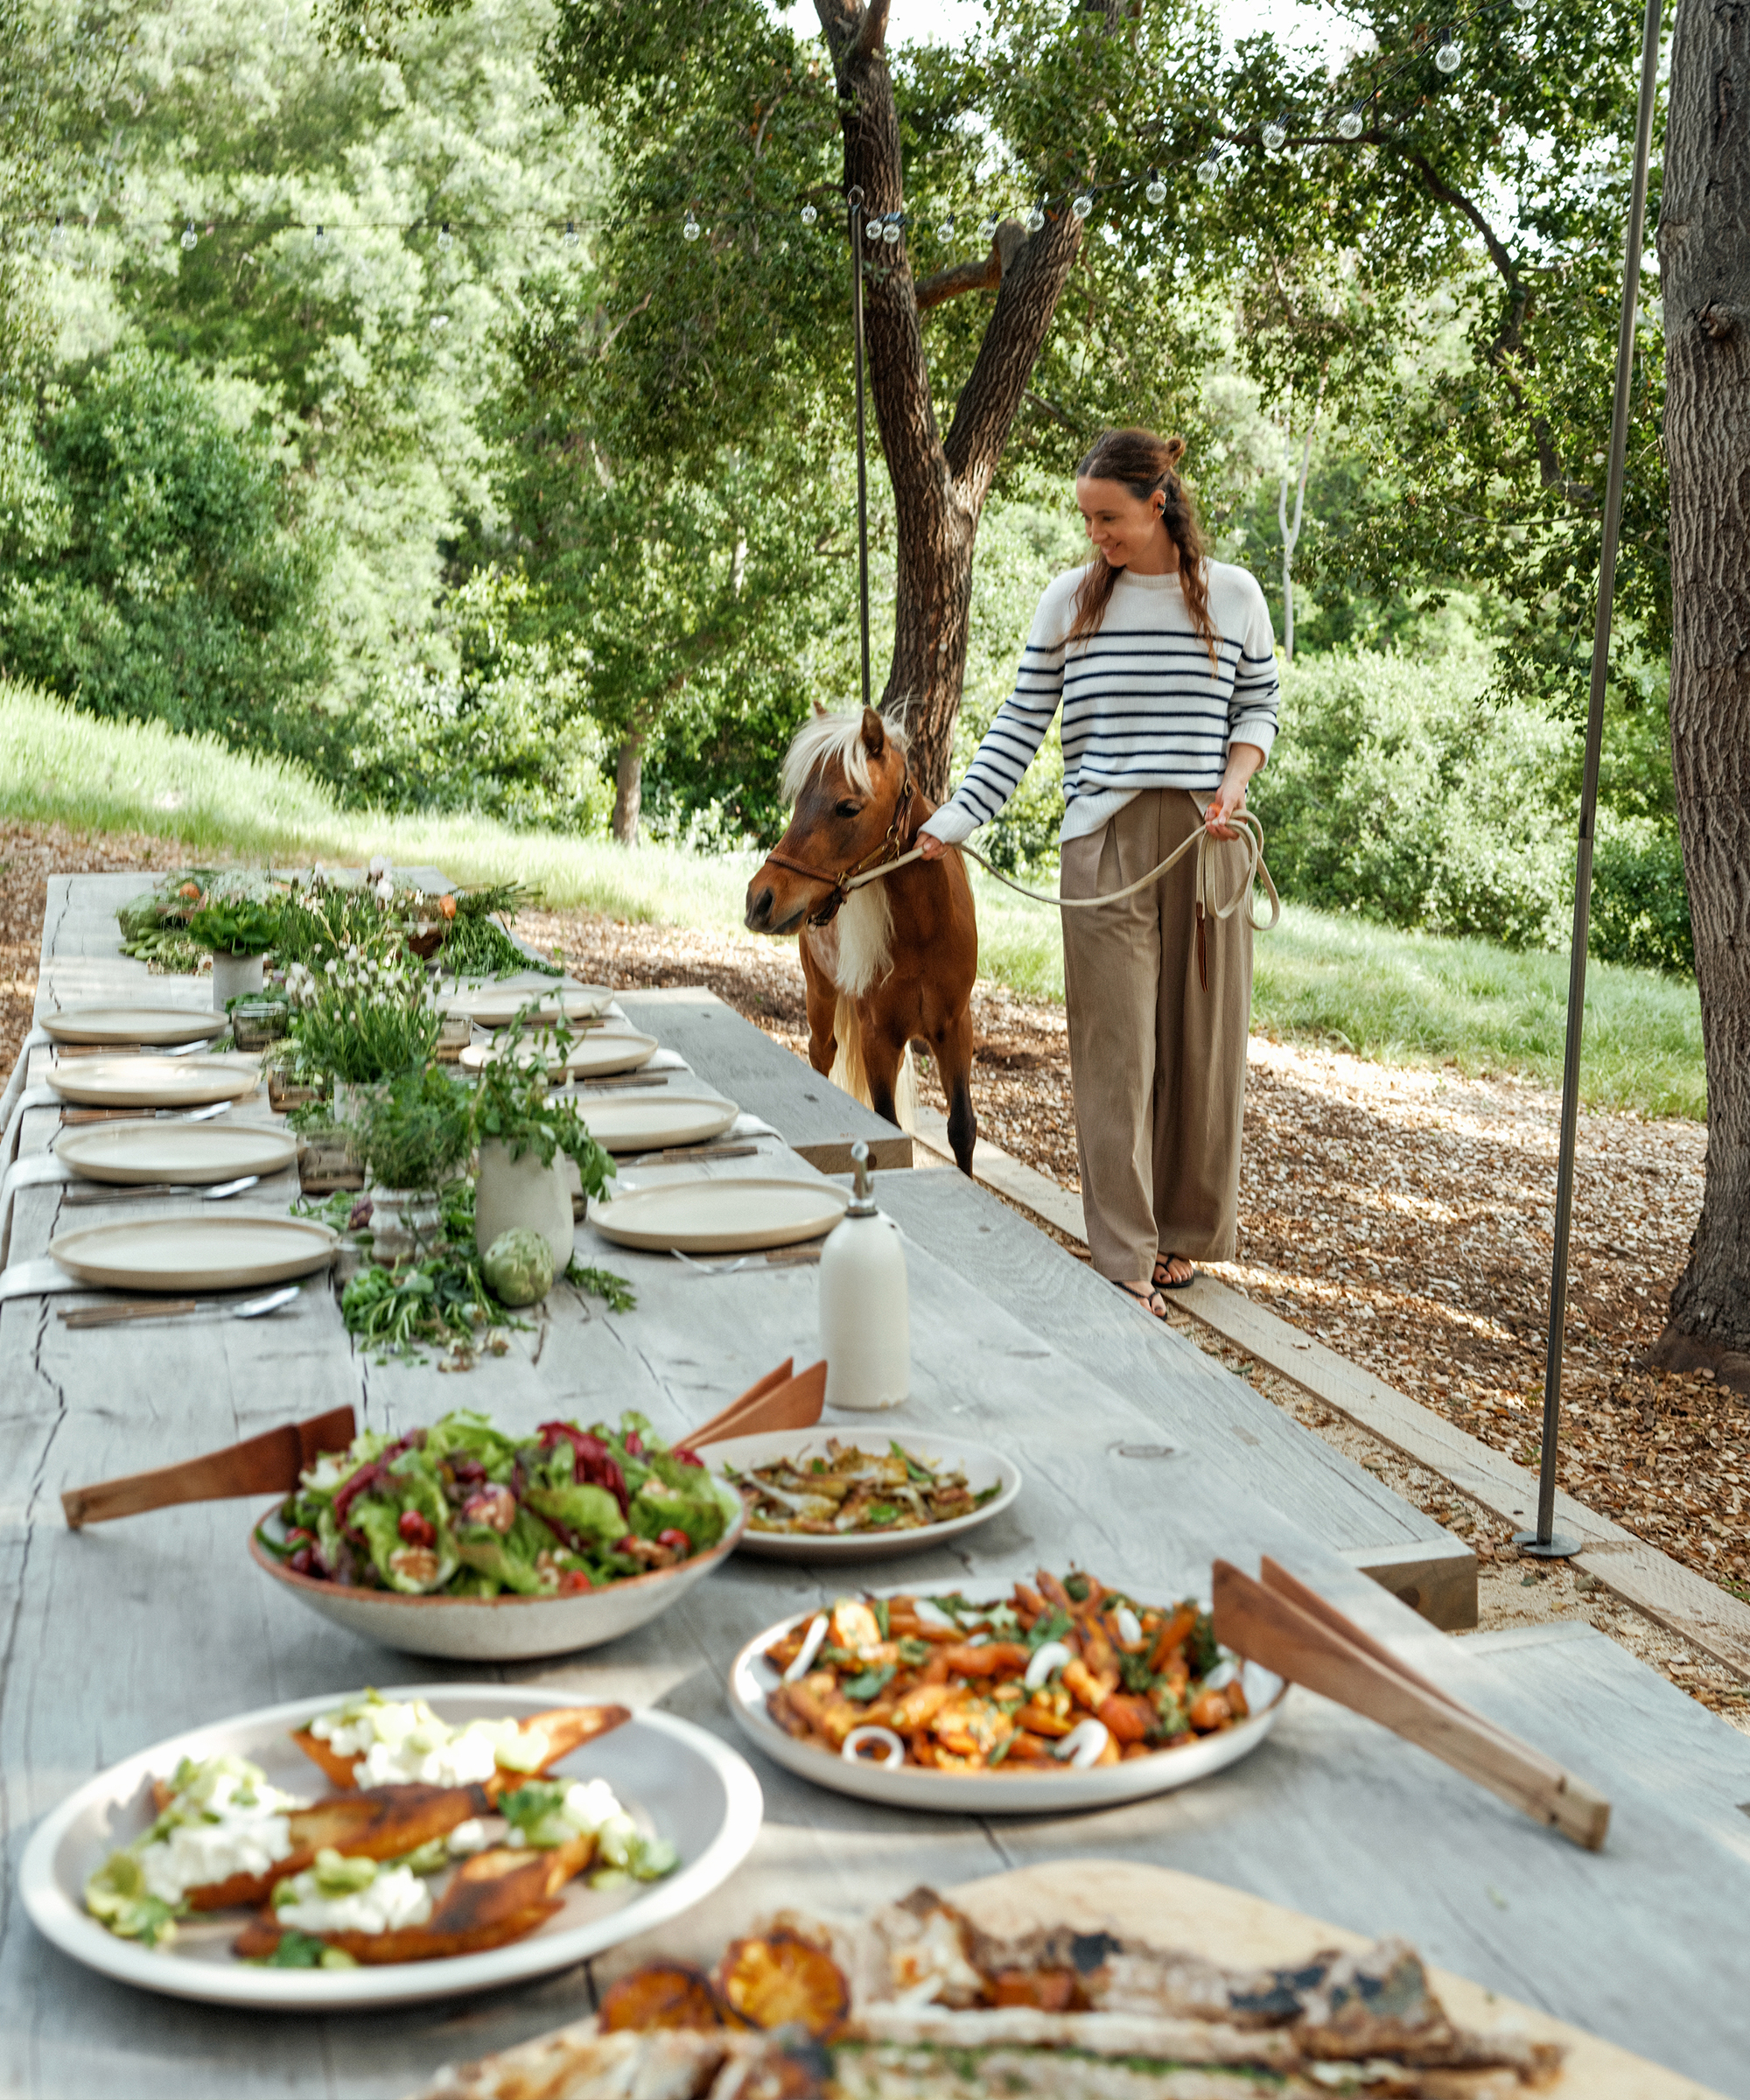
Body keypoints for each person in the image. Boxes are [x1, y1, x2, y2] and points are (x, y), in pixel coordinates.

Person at [917, 427, 1279, 1319]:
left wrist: (1233, 786)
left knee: (1199, 1048)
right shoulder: (1068, 602)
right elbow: (1017, 726)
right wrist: (953, 821)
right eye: (1086, 519)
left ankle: (1176, 1238)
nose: (1095, 536)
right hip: (1103, 844)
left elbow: (1258, 705)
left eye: (1108, 517)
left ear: (1158, 503)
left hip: (1206, 844)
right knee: (1115, 1051)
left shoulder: (1231, 596)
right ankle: (1121, 1251)